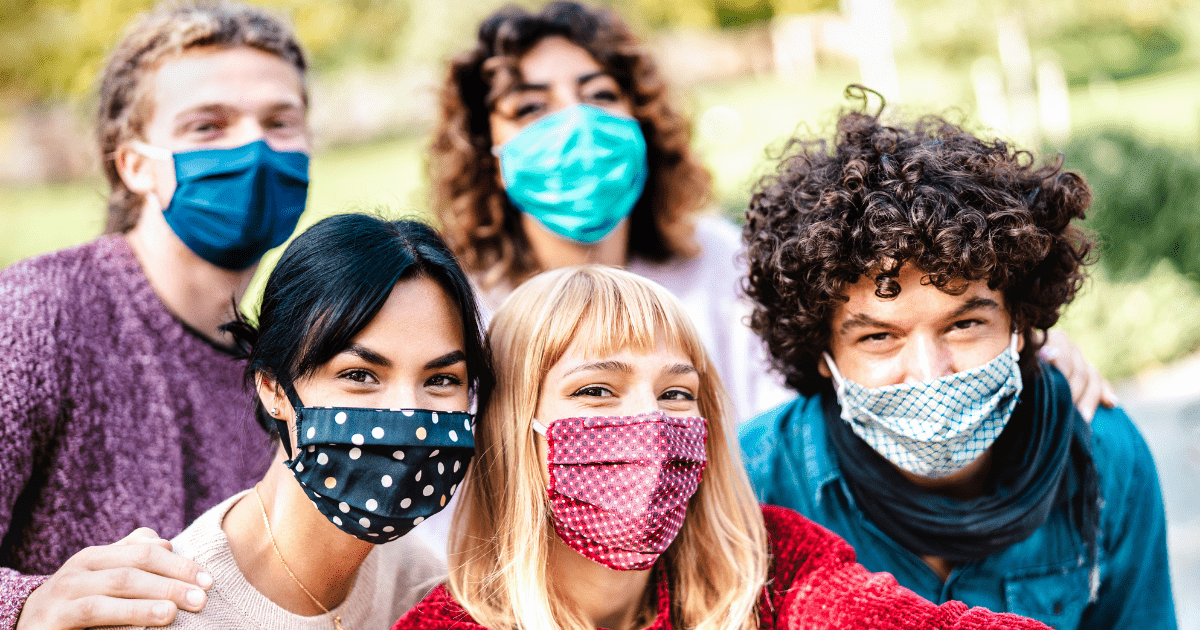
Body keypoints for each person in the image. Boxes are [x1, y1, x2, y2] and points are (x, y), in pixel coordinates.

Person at [392, 265, 1052, 630]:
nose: (649, 421)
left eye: (678, 394)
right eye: (596, 390)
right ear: (511, 424)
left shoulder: (772, 570)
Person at [738, 101, 1177, 629]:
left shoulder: (1103, 456)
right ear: (824, 355)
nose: (930, 371)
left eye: (963, 325)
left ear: (1020, 325)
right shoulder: (753, 481)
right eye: (879, 336)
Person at [0, 3, 312, 628]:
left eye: (280, 122)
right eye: (208, 126)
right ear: (134, 164)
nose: (254, 148)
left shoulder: (287, 373)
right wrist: (26, 605)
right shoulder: (37, 315)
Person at [113, 213, 491, 629]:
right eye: (360, 376)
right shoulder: (164, 610)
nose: (409, 412)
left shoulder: (430, 592)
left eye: (440, 380)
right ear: (273, 388)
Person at [430, 0, 790, 422]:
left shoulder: (717, 259)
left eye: (600, 94)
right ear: (488, 154)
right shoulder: (459, 306)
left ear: (643, 120)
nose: (576, 122)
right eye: (530, 107)